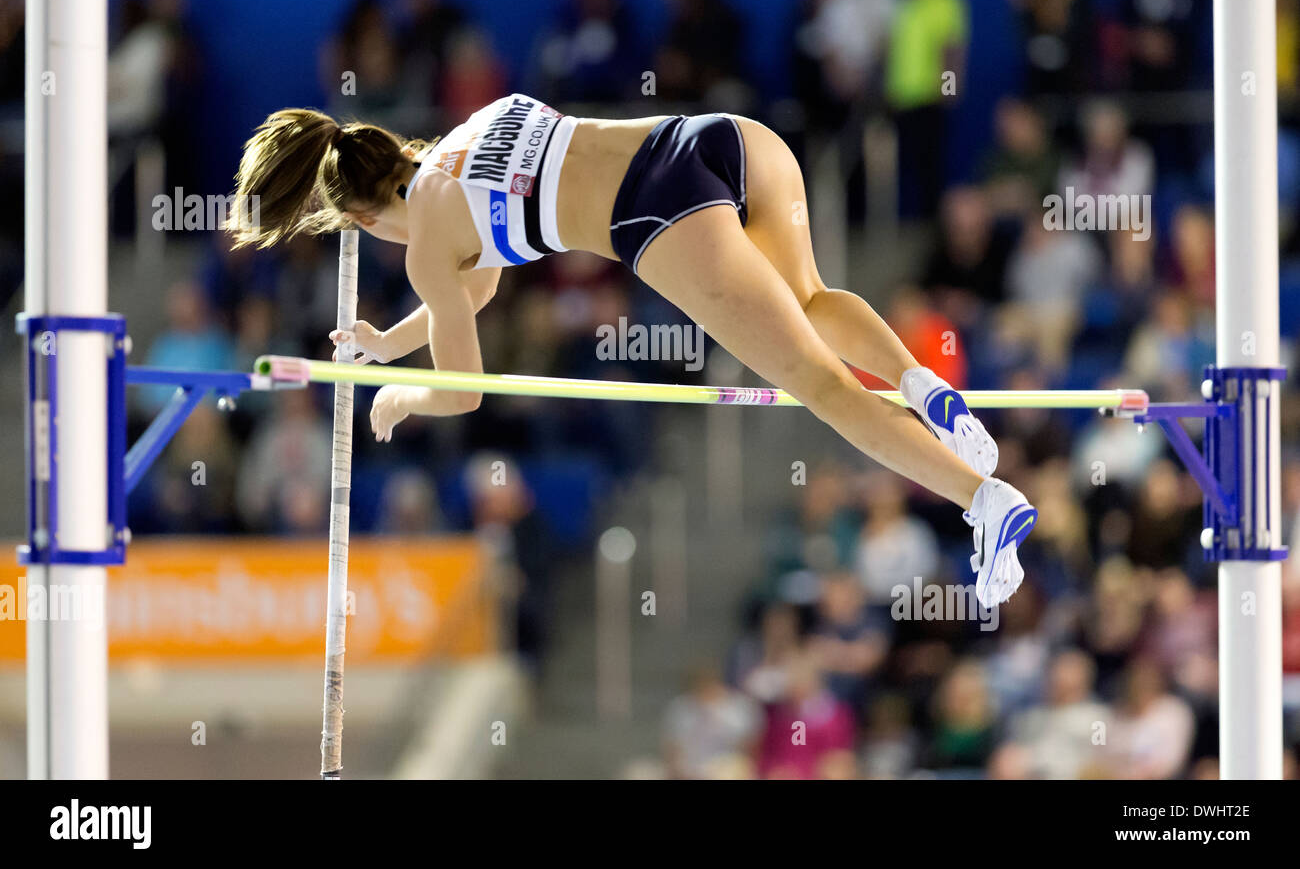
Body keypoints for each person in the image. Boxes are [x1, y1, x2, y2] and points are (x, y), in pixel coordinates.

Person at [228, 94, 1036, 606]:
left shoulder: (426, 242)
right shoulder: (463, 141)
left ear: (364, 220)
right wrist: (387, 344)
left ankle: (982, 500)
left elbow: (465, 386)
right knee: (812, 300)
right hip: (715, 137)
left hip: (660, 213)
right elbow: (472, 291)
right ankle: (925, 386)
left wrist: (402, 396)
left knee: (816, 386)